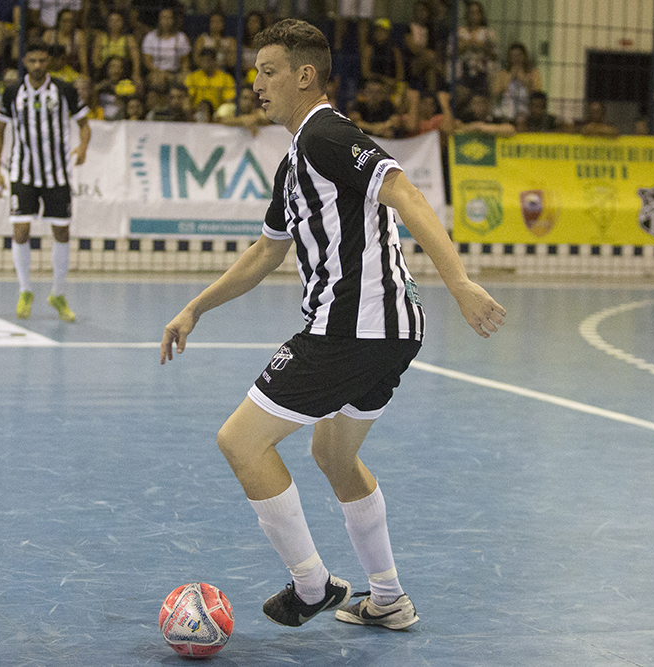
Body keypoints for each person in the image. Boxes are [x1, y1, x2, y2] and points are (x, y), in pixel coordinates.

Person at [161, 18, 506, 632]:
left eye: (268, 72)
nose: (257, 84)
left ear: (305, 76)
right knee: (334, 455)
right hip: (390, 330)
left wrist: (459, 281)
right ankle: (388, 597)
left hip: (352, 326)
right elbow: (267, 252)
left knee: (241, 442)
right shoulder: (295, 160)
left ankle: (312, 585)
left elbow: (404, 191)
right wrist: (196, 307)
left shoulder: (324, 135)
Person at [0, 42, 91, 322]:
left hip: (56, 174)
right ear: (24, 60)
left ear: (48, 61)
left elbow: (85, 125)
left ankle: (57, 294)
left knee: (61, 233)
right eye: (33, 60)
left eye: (42, 61)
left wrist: (83, 147)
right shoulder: (13, 92)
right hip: (22, 173)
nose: (37, 66)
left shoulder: (64, 90)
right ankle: (25, 290)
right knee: (20, 231)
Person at [450, 0, 496, 98]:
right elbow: (451, 53)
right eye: (471, 12)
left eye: (477, 12)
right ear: (466, 14)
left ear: (481, 15)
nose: (474, 15)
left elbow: (493, 54)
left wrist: (475, 44)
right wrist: (470, 45)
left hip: (482, 73)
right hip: (462, 73)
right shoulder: (458, 32)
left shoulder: (488, 33)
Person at [491, 42, 541, 125]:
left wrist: (524, 81)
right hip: (506, 107)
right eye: (513, 56)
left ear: (525, 56)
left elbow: (536, 94)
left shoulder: (533, 73)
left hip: (526, 107)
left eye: (519, 55)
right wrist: (510, 79)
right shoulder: (503, 74)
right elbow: (496, 95)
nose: (516, 58)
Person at [141, 6, 189, 89]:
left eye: (169, 18)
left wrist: (184, 73)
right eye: (163, 18)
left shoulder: (181, 37)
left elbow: (185, 60)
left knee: (187, 79)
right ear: (159, 20)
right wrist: (160, 72)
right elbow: (147, 61)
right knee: (159, 79)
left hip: (175, 72)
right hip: (156, 72)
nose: (166, 21)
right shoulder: (150, 37)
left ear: (173, 20)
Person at [439, 89, 516, 137]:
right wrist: (471, 127)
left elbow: (510, 129)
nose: (478, 107)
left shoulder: (495, 119)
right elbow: (448, 129)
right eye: (475, 103)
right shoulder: (466, 117)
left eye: (481, 103)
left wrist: (482, 127)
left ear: (488, 105)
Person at [90, 10, 140, 81]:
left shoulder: (129, 39)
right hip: (105, 72)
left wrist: (136, 74)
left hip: (124, 72)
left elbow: (136, 59)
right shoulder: (100, 38)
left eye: (117, 21)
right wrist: (108, 68)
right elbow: (95, 59)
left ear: (122, 22)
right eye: (112, 21)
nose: (114, 23)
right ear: (108, 23)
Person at [184, 47, 234, 113]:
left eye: (208, 60)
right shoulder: (192, 77)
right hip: (197, 111)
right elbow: (189, 98)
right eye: (203, 60)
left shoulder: (226, 78)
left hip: (218, 113)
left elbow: (229, 100)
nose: (205, 63)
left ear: (214, 61)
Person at [360, 18, 403, 94]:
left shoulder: (395, 51)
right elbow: (365, 73)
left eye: (383, 31)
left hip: (391, 86)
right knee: (375, 89)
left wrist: (392, 82)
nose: (379, 33)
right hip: (373, 84)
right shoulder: (369, 49)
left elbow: (400, 75)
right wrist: (384, 79)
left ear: (388, 33)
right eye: (377, 30)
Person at [42, 7, 88, 78]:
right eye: (64, 21)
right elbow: (42, 57)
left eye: (70, 21)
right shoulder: (49, 35)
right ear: (59, 21)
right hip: (51, 74)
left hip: (71, 76)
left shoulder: (78, 36)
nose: (68, 24)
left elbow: (84, 62)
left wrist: (84, 77)